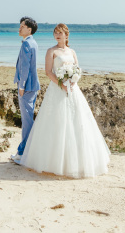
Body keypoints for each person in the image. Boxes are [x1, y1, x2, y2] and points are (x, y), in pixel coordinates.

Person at [18, 23, 110, 178]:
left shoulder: (72, 52)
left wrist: (73, 81)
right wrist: (61, 84)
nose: (57, 35)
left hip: (73, 90)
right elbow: (48, 72)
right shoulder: (51, 51)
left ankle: (79, 162)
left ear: (67, 35)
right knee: (56, 122)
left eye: (60, 33)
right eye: (55, 33)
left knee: (78, 122)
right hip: (57, 89)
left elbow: (77, 69)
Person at [11, 16, 40, 162]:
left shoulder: (27, 44)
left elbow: (25, 67)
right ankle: (27, 151)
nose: (19, 28)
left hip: (27, 86)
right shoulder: (33, 42)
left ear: (29, 29)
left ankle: (23, 153)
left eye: (22, 26)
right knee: (28, 119)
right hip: (32, 86)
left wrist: (21, 85)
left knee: (27, 121)